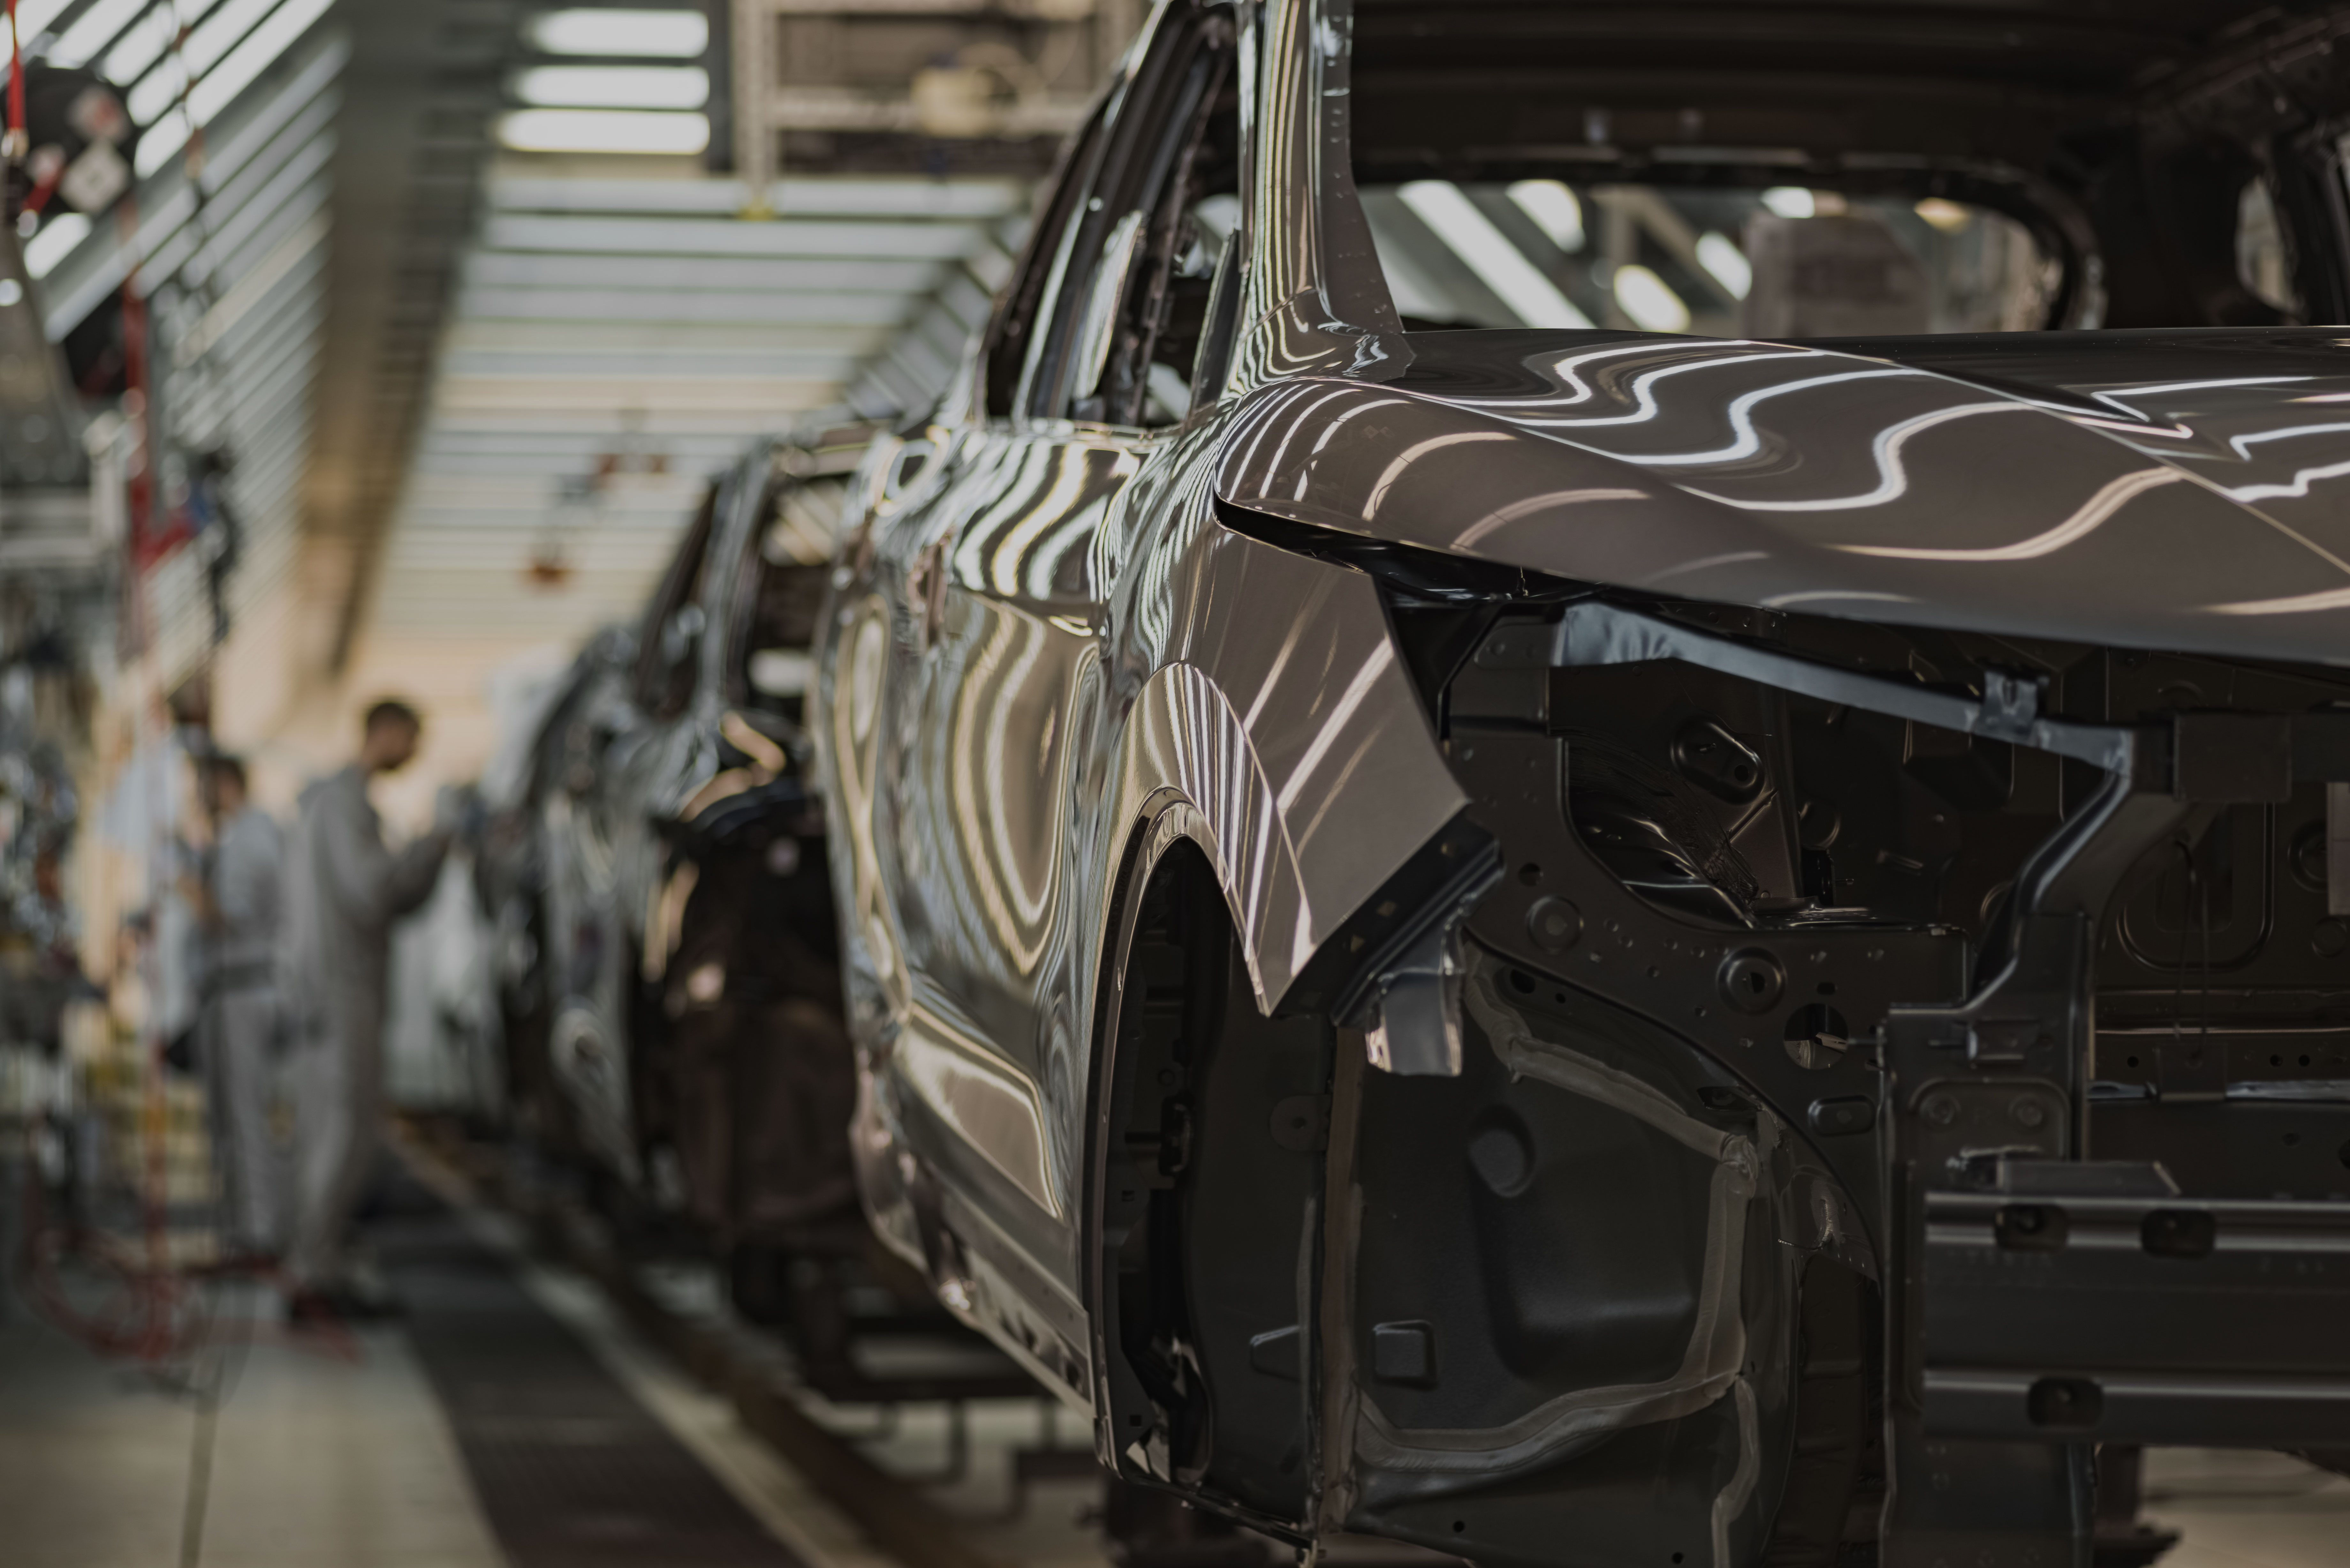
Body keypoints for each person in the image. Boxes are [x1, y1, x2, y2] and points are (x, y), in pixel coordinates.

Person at [280, 700, 453, 1319]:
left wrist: (431, 855)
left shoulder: (337, 801)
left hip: (338, 988)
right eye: (413, 736)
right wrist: (432, 844)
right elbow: (372, 890)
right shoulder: (343, 802)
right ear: (384, 730)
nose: (415, 750)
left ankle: (320, 1265)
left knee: (337, 1133)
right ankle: (313, 1275)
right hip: (340, 988)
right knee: (343, 1135)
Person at [180, 754, 284, 1265]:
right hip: (229, 991)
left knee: (245, 1118)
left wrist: (188, 890)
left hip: (242, 989)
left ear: (223, 784)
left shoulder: (250, 840)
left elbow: (231, 918)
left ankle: (259, 1234)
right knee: (229, 1118)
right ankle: (244, 1230)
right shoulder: (239, 838)